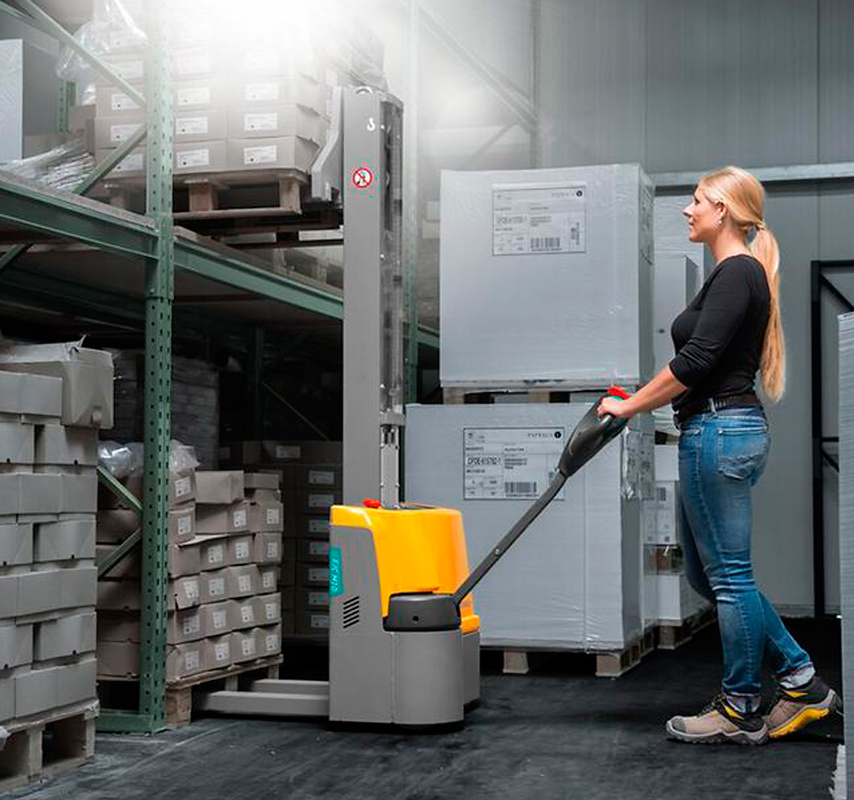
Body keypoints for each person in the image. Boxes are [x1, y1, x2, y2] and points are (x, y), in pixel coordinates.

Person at [597, 165, 842, 745]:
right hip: (719, 431)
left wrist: (631, 407)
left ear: (723, 211)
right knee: (711, 578)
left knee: (729, 579)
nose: (688, 210)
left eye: (698, 200)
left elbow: (695, 363)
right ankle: (800, 679)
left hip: (718, 431)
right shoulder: (734, 274)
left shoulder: (738, 273)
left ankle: (740, 707)